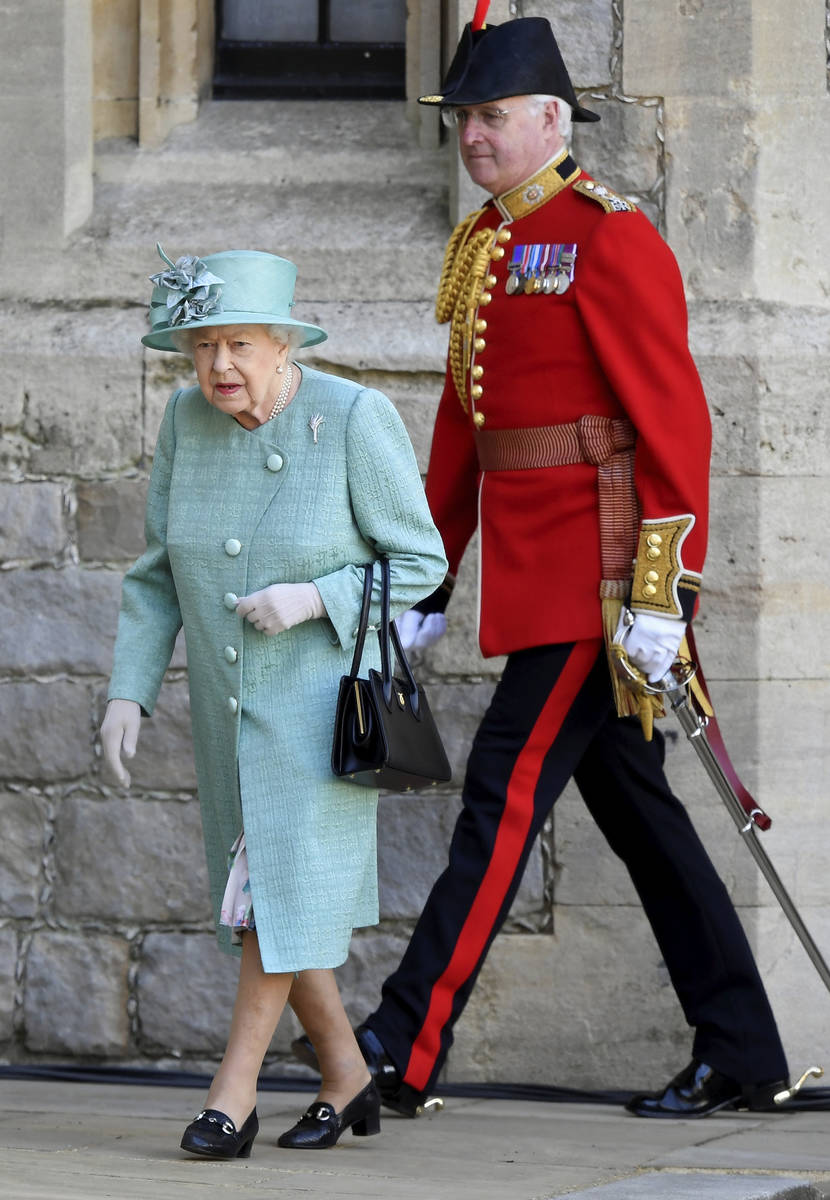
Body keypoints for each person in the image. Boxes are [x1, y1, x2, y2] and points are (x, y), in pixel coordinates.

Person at [291, 8, 790, 1120]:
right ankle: (742, 1049)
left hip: (598, 583)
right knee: (638, 816)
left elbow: (672, 427)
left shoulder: (608, 234)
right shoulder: (485, 242)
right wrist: (425, 577)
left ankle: (401, 1045)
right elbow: (468, 429)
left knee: (499, 794)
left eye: (491, 115)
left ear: (552, 120)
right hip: (535, 574)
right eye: (462, 117)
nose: (472, 135)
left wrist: (661, 596)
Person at [100, 245, 447, 1156]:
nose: (220, 366)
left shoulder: (352, 417)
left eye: (241, 345)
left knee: (265, 896)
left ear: (284, 345)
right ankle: (348, 1074)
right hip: (226, 717)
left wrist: (313, 599)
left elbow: (421, 560)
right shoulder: (185, 420)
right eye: (202, 346)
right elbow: (154, 578)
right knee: (277, 900)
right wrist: (127, 692)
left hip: (319, 711)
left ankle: (234, 1091)